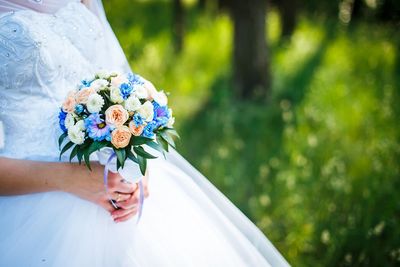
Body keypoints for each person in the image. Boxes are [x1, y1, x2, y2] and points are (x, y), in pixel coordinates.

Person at [0, 0, 290, 266]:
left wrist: (137, 162)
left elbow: (115, 75)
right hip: (32, 199)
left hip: (119, 183)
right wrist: (73, 178)